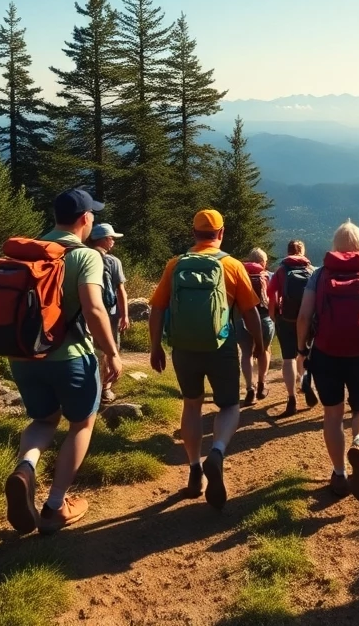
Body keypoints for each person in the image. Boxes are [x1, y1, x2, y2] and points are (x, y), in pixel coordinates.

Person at [4, 188, 123, 534]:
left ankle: (26, 468)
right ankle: (56, 505)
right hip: (69, 357)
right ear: (85, 219)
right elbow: (94, 308)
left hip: (24, 356)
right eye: (92, 216)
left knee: (43, 421)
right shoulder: (86, 256)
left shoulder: (31, 250)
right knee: (81, 424)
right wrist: (112, 351)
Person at [148, 210, 265, 510]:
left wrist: (155, 347)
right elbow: (251, 311)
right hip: (221, 347)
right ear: (221, 233)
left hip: (184, 348)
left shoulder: (175, 265)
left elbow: (158, 308)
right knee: (228, 405)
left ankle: (194, 469)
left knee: (192, 404)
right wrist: (260, 346)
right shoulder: (232, 265)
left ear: (194, 233)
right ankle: (217, 451)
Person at [297, 220, 359, 500]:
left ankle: (339, 474)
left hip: (326, 355)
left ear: (334, 246)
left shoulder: (319, 274)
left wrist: (303, 350)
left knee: (333, 414)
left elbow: (303, 317)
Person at [267, 239, 316, 416]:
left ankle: (291, 398)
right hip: (307, 319)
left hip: (286, 319)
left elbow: (271, 294)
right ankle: (305, 380)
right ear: (302, 251)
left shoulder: (281, 271)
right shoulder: (312, 271)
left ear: (288, 252)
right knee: (304, 352)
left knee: (288, 358)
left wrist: (273, 315)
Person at [88, 222, 130, 405]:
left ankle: (89, 387)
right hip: (109, 314)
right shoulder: (113, 262)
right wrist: (125, 315)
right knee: (110, 349)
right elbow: (121, 291)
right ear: (104, 239)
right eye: (111, 238)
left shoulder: (82, 256)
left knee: (90, 350)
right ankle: (105, 390)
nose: (113, 241)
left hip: (85, 314)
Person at [239, 247, 276, 406]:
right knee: (264, 350)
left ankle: (249, 389)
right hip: (265, 319)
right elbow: (274, 300)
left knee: (246, 353)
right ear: (263, 262)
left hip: (244, 319)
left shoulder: (240, 275)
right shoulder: (269, 276)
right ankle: (262, 384)